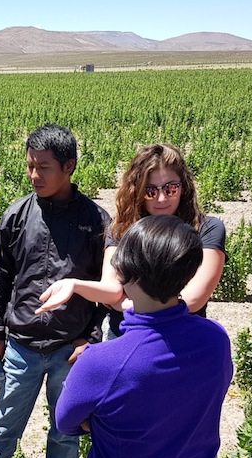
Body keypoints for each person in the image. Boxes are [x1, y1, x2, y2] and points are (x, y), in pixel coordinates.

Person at [0, 124, 111, 458]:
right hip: (21, 347)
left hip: (70, 352)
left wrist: (90, 337)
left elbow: (106, 286)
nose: (34, 175)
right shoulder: (17, 214)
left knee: (66, 435)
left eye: (44, 167)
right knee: (3, 429)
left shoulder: (95, 220)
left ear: (69, 166)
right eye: (30, 166)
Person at [56, 214, 233, 458]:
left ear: (124, 272)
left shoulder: (100, 362)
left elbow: (66, 422)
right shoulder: (215, 339)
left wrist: (101, 424)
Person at [36, 143, 225, 338]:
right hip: (126, 336)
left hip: (182, 340)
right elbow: (111, 289)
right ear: (137, 191)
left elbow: (194, 298)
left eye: (170, 189)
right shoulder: (122, 228)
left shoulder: (206, 229)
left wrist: (130, 304)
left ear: (183, 188)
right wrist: (75, 285)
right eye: (150, 191)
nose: (161, 199)